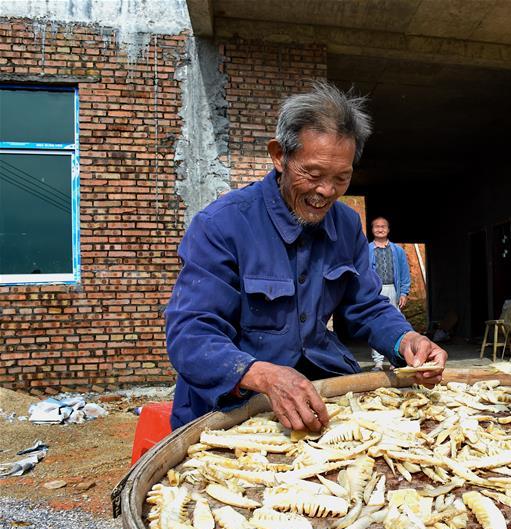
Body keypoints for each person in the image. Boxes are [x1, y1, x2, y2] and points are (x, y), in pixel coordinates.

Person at [165, 82, 447, 432]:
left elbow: (366, 306)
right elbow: (191, 335)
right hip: (229, 402)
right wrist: (262, 375)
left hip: (317, 387)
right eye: (313, 175)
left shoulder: (345, 225)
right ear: (279, 156)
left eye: (341, 178)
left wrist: (406, 339)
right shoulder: (222, 225)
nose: (326, 192)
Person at [367, 216, 412, 370]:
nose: (380, 229)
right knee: (375, 322)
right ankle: (378, 361)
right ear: (372, 229)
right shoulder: (367, 250)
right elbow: (363, 273)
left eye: (383, 226)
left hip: (393, 289)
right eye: (376, 226)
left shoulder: (397, 250)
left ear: (388, 229)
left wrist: (404, 293)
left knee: (396, 322)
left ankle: (395, 360)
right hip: (375, 291)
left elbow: (404, 273)